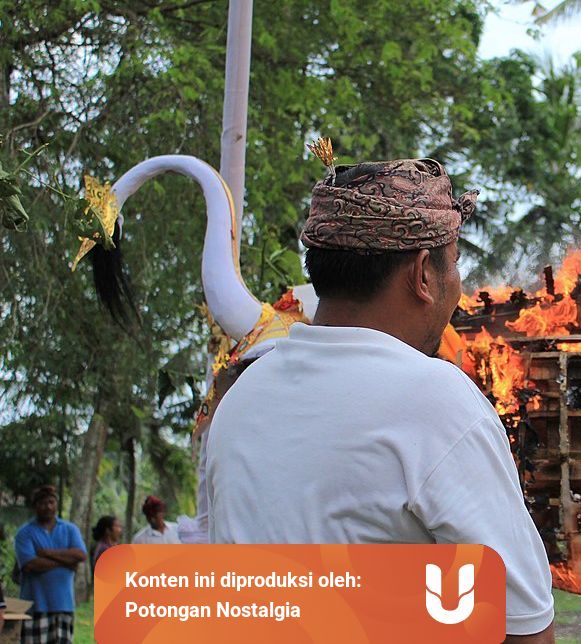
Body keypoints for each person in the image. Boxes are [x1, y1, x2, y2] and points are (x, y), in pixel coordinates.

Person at [205, 158, 554, 642]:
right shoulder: (439, 402)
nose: (458, 285)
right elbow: (523, 628)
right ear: (421, 275)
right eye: (452, 263)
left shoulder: (241, 400)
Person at [14, 485, 87, 644]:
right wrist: (67, 563)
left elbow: (81, 555)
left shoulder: (70, 529)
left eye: (51, 502)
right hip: (36, 606)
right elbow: (31, 565)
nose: (47, 506)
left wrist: (47, 553)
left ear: (56, 504)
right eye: (42, 503)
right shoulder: (25, 533)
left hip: (64, 605)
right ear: (35, 507)